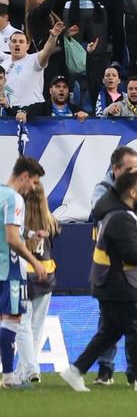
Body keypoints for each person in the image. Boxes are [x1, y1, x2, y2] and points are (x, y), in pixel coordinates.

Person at [60, 167, 137, 392]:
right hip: (120, 285)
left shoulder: (118, 214)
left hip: (112, 284)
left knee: (110, 332)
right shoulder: (121, 218)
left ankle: (75, 370)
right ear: (131, 193)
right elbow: (134, 255)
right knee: (136, 329)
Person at [1, 157, 48, 388]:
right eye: (34, 182)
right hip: (9, 270)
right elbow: (11, 238)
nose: (33, 187)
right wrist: (34, 262)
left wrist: (30, 235)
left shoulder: (1, 194)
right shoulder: (15, 198)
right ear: (25, 176)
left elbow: (12, 228)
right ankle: (9, 377)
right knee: (12, 320)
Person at [12, 182, 58, 385]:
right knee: (36, 328)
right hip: (45, 276)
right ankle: (25, 372)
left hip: (23, 275)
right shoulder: (50, 222)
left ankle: (29, 369)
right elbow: (57, 234)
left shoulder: (18, 220)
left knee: (23, 326)